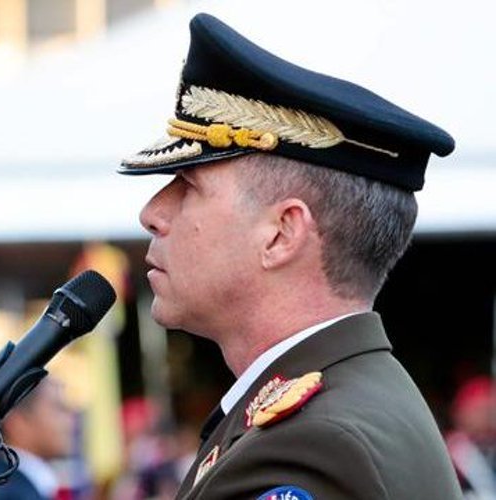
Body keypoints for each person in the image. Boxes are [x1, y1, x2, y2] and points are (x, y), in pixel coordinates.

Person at [116, 13, 461, 499]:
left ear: (281, 233)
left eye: (189, 186)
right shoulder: (335, 410)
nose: (152, 213)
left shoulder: (311, 445)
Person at [0, 379, 76, 500]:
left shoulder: (13, 487)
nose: (71, 420)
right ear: (17, 422)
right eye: (59, 408)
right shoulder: (7, 495)